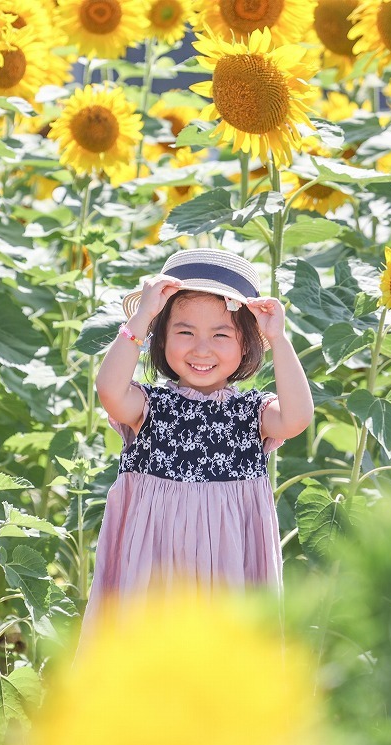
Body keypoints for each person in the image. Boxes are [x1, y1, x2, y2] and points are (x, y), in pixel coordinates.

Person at [75, 248, 314, 655]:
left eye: (221, 335)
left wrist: (279, 338)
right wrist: (140, 318)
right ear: (161, 338)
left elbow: (297, 417)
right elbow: (109, 390)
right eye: (184, 332)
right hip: (155, 564)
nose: (201, 349)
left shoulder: (251, 413)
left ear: (246, 346)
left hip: (227, 566)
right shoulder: (150, 407)